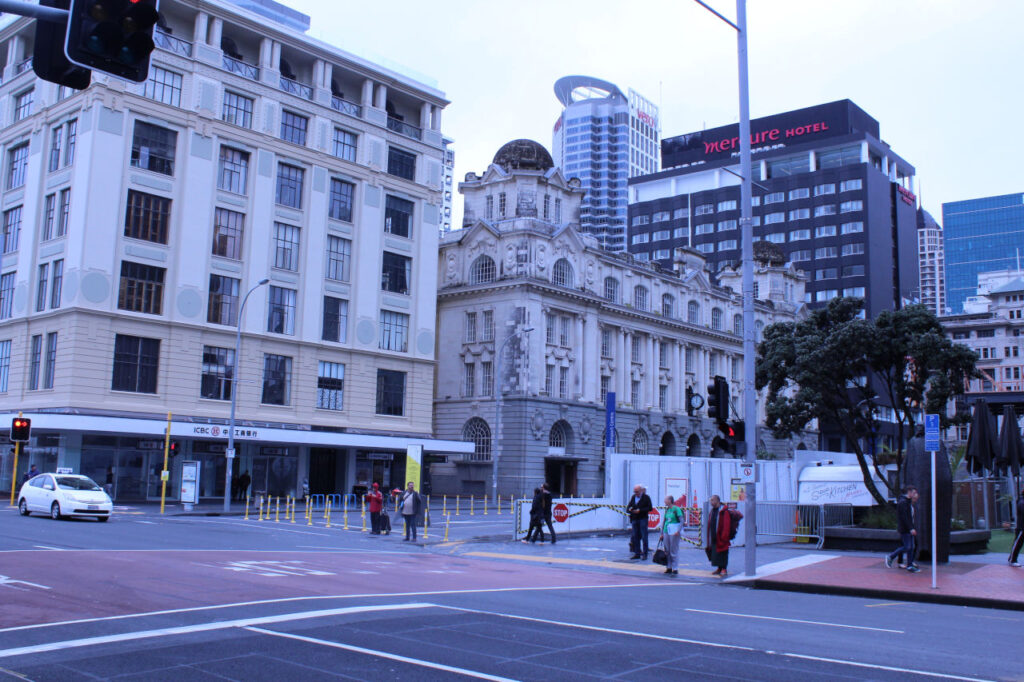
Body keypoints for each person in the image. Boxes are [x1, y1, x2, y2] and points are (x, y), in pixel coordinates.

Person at [886, 485, 921, 572]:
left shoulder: (907, 502)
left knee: (911, 547)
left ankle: (909, 565)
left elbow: (909, 517)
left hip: (908, 528)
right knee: (907, 546)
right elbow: (905, 517)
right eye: (913, 493)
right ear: (909, 492)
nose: (915, 495)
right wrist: (911, 528)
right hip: (905, 529)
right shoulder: (903, 502)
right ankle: (891, 556)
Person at [707, 495, 732, 577]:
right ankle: (719, 568)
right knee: (716, 552)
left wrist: (724, 536)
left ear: (717, 501)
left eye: (712, 500)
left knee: (723, 552)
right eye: (711, 500)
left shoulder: (724, 511)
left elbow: (727, 524)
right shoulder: (712, 511)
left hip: (722, 536)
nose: (711, 502)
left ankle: (724, 568)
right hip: (714, 535)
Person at [626, 484, 653, 560]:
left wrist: (640, 510)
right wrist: (631, 510)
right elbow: (628, 507)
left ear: (641, 491)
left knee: (644, 536)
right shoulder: (633, 497)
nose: (636, 493)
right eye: (634, 492)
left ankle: (645, 554)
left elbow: (650, 508)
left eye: (637, 492)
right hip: (635, 519)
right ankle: (637, 553)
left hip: (643, 519)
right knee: (635, 536)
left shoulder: (646, 498)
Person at [661, 494, 683, 575]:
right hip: (666, 530)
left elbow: (681, 520)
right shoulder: (667, 510)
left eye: (666, 500)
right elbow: (664, 521)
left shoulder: (676, 509)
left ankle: (675, 567)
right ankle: (669, 567)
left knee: (674, 549)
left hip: (674, 531)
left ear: (670, 500)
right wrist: (662, 533)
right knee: (667, 550)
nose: (664, 501)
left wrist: (678, 530)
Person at [1010, 493, 1023, 568]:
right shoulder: (1021, 502)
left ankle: (1012, 558)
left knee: (1018, 544)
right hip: (1021, 528)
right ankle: (1013, 560)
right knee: (1018, 544)